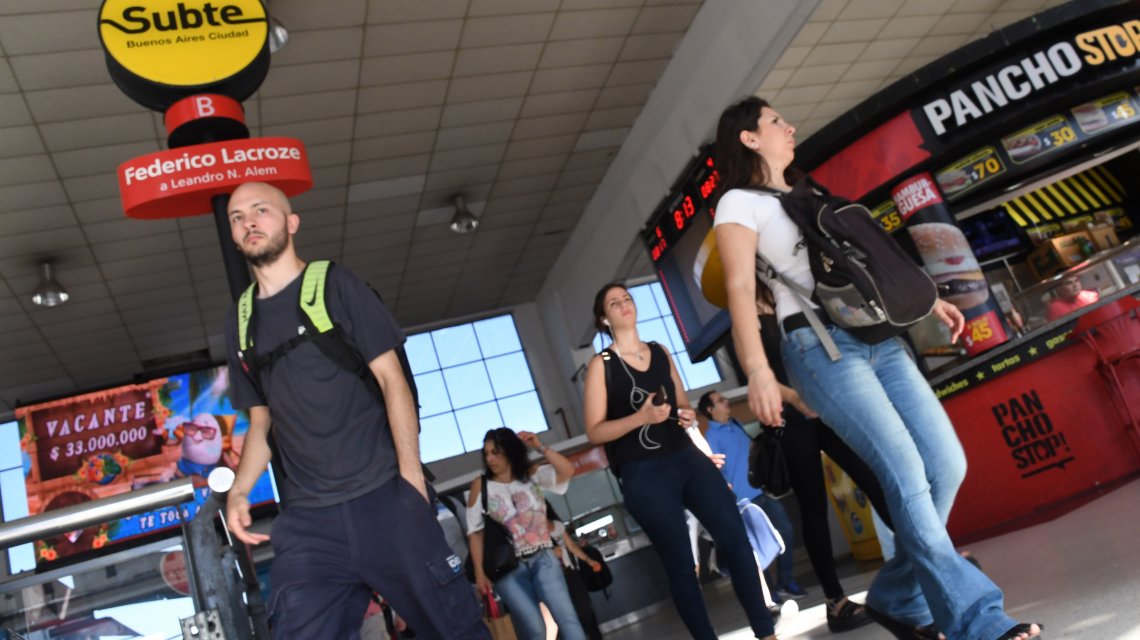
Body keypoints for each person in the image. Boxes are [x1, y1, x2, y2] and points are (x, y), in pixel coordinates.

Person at [711, 96, 1042, 640]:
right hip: (819, 348)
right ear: (749, 138)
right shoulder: (738, 204)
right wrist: (758, 371)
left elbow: (865, 265)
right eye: (775, 121)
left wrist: (927, 300)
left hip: (879, 340)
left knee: (946, 464)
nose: (789, 126)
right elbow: (740, 288)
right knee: (905, 474)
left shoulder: (809, 192)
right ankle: (978, 621)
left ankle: (894, 594)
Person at [221, 182, 488, 640]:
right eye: (237, 216)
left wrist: (410, 482)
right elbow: (262, 421)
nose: (249, 222)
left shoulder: (335, 284)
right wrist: (240, 490)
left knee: (456, 630)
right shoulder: (240, 321)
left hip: (386, 497)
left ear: (291, 222)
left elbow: (392, 380)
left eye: (261, 210)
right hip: (308, 523)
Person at [582, 282, 777, 640]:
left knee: (735, 539)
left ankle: (766, 632)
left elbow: (683, 404)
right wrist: (641, 418)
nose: (624, 305)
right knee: (682, 566)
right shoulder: (601, 365)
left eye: (627, 298)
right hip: (643, 472)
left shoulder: (660, 351)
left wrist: (686, 416)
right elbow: (595, 431)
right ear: (603, 319)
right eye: (614, 303)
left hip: (686, 457)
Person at [467, 428, 587, 640]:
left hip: (544, 557)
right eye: (486, 453)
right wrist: (479, 572)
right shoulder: (481, 485)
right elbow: (475, 533)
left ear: (510, 451)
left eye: (495, 452)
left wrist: (540, 446)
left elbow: (567, 470)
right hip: (506, 569)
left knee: (567, 618)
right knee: (536, 630)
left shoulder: (531, 475)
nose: (490, 458)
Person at [697, 390, 804, 602]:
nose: (726, 401)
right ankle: (770, 593)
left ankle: (785, 581)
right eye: (720, 400)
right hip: (741, 502)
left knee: (785, 531)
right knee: (755, 548)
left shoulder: (736, 424)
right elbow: (714, 471)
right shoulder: (710, 437)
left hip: (762, 492)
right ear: (710, 409)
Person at [546, 502, 605, 640]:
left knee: (585, 609)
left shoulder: (557, 526)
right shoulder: (532, 533)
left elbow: (571, 546)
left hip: (569, 572)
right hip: (551, 578)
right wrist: (550, 554)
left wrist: (588, 560)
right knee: (564, 615)